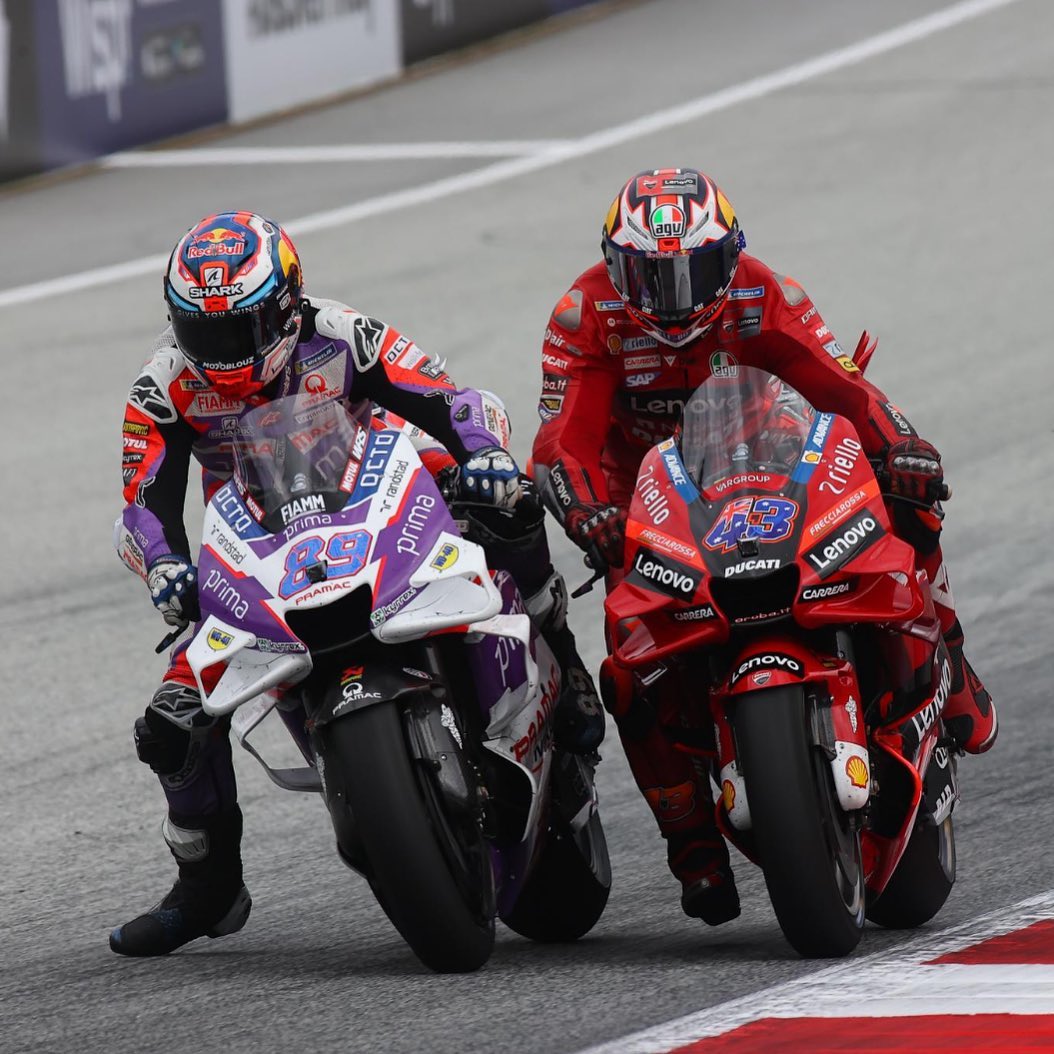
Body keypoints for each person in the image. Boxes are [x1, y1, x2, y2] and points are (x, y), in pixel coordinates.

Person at [111, 211, 603, 957]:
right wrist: (165, 566)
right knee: (172, 723)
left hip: (377, 488)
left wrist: (482, 453)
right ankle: (209, 885)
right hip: (258, 546)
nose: (222, 352)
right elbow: (143, 506)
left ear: (287, 306)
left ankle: (561, 655)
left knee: (505, 503)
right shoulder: (163, 385)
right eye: (201, 332)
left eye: (240, 329)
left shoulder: (342, 333)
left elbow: (448, 398)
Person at [531, 168, 996, 926]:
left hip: (768, 456)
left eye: (696, 271)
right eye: (652, 276)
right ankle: (693, 847)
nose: (676, 297)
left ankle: (950, 653)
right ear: (615, 267)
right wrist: (585, 511)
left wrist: (903, 444)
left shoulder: (765, 290)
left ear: (732, 255)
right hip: (646, 495)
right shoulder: (585, 313)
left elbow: (842, 386)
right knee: (629, 665)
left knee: (909, 505)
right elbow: (563, 437)